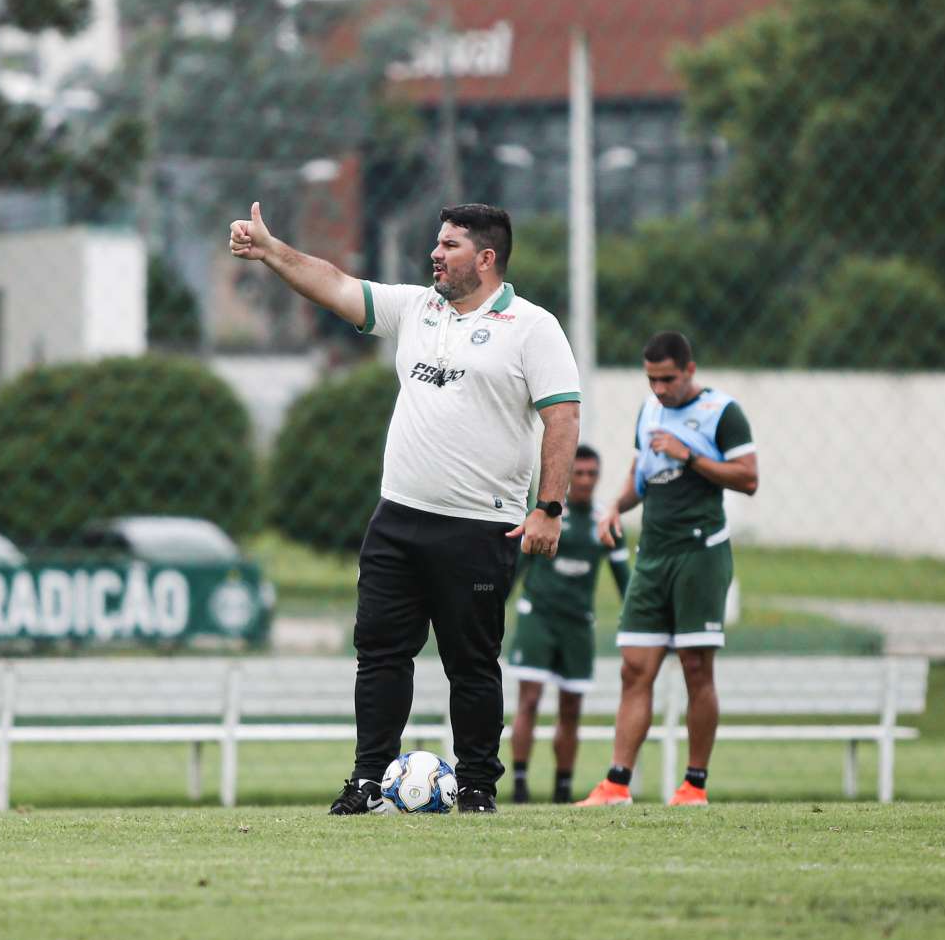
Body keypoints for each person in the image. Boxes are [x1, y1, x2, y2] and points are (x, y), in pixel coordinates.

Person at [229, 200, 580, 814]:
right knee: (380, 654)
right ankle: (368, 782)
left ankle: (475, 786)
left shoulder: (532, 327)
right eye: (437, 244)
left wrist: (548, 506)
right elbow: (334, 284)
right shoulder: (419, 307)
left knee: (471, 664)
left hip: (481, 525)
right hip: (397, 519)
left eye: (449, 246)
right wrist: (270, 250)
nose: (435, 255)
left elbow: (563, 417)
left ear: (487, 258)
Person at [576, 332, 758, 807]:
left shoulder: (722, 412)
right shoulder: (649, 409)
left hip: (699, 553)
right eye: (652, 379)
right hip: (652, 556)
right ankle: (617, 784)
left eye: (668, 379)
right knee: (635, 669)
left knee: (696, 668)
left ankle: (693, 785)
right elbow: (643, 470)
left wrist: (691, 456)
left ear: (689, 370)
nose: (659, 389)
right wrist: (615, 505)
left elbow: (749, 478)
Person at [507, 444, 630, 803]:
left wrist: (637, 616)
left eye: (592, 474)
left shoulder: (604, 521)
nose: (586, 481)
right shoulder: (546, 516)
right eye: (579, 473)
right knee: (528, 700)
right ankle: (519, 786)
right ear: (567, 475)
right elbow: (516, 569)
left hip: (578, 624)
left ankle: (562, 788)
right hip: (538, 618)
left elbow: (625, 579)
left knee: (571, 707)